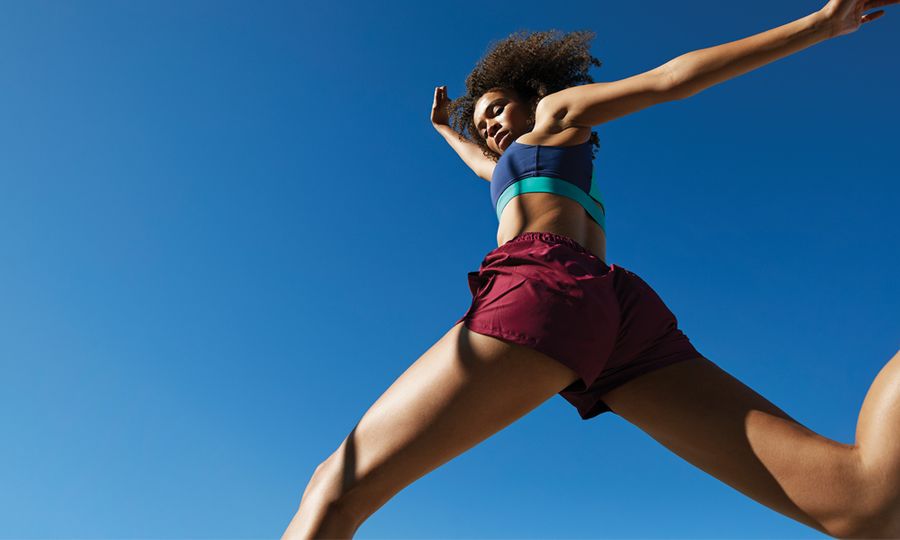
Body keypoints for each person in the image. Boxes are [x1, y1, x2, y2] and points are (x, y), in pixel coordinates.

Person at [283, 1, 899, 537]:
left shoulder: (556, 116)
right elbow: (479, 164)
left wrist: (821, 24)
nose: (490, 125)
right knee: (861, 504)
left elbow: (669, 80)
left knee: (334, 490)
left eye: (497, 108)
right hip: (615, 316)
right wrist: (448, 128)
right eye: (483, 122)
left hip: (543, 286)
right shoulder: (518, 169)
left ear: (532, 93)